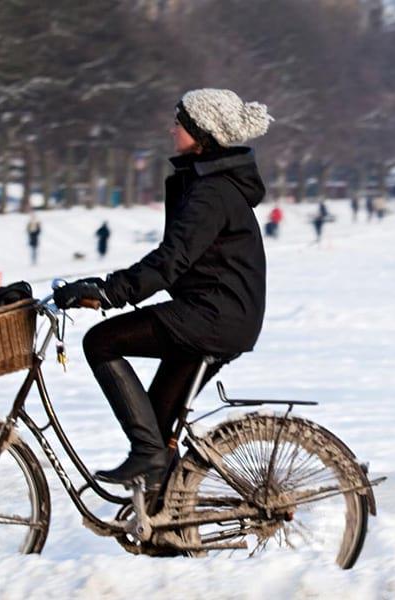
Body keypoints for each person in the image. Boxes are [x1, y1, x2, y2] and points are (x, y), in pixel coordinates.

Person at [53, 88, 274, 489]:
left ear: (201, 131)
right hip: (217, 315)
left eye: (180, 122)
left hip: (213, 317)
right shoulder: (208, 183)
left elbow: (171, 261)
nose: (171, 129)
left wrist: (108, 292)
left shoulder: (212, 191)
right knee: (154, 428)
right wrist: (110, 289)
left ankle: (150, 456)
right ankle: (165, 521)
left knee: (101, 342)